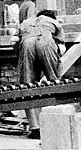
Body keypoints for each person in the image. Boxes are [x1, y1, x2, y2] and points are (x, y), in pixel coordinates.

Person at [17, 9, 64, 139]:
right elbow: (61, 48)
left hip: (27, 44)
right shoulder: (54, 22)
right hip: (46, 43)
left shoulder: (25, 22)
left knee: (26, 86)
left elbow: (15, 41)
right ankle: (56, 124)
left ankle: (34, 128)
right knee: (54, 83)